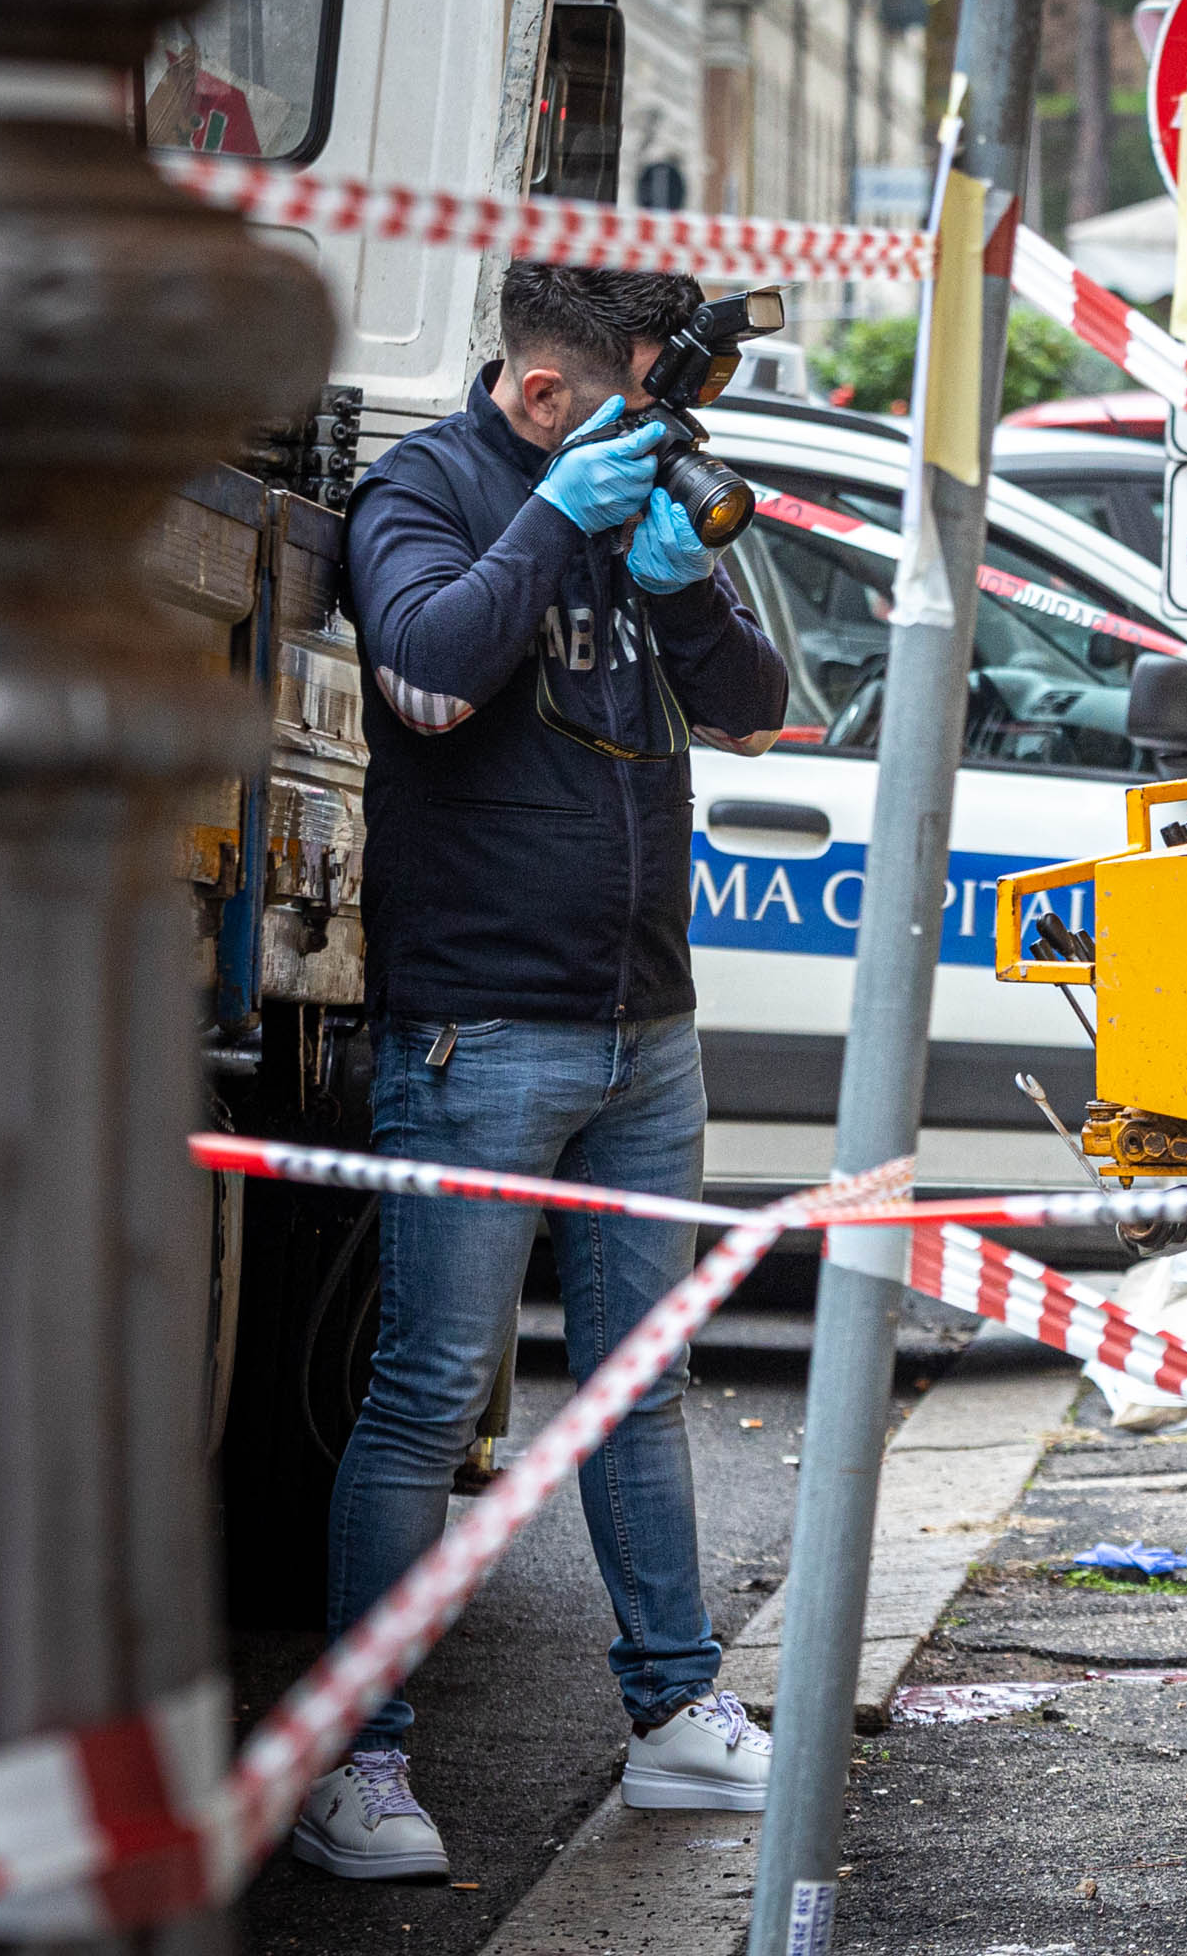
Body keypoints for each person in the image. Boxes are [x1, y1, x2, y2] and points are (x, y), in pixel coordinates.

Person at [293, 261, 792, 1881]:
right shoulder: (423, 490)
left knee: (640, 1375)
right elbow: (429, 678)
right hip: (480, 1025)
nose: (671, 433)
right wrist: (555, 526)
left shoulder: (635, 484)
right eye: (648, 404)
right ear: (545, 393)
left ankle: (676, 1717)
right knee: (433, 1395)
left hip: (647, 1024)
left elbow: (759, 704)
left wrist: (675, 583)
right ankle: (355, 1761)